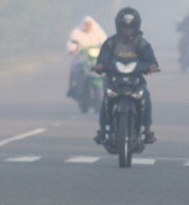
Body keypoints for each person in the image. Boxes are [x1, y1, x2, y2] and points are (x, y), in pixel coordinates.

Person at [93, 7, 159, 144]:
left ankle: (147, 129)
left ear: (136, 27)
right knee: (106, 98)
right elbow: (102, 59)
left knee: (145, 96)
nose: (127, 30)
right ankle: (103, 130)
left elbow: (151, 59)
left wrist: (152, 66)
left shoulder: (142, 43)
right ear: (118, 26)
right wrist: (100, 65)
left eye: (130, 27)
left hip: (136, 80)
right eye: (124, 27)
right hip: (114, 80)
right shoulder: (110, 42)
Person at [66, 16, 107, 100]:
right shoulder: (76, 33)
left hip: (96, 58)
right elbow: (71, 44)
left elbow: (106, 43)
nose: (87, 26)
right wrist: (74, 49)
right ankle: (72, 88)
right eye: (86, 24)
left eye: (89, 25)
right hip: (81, 58)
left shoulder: (98, 33)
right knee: (74, 69)